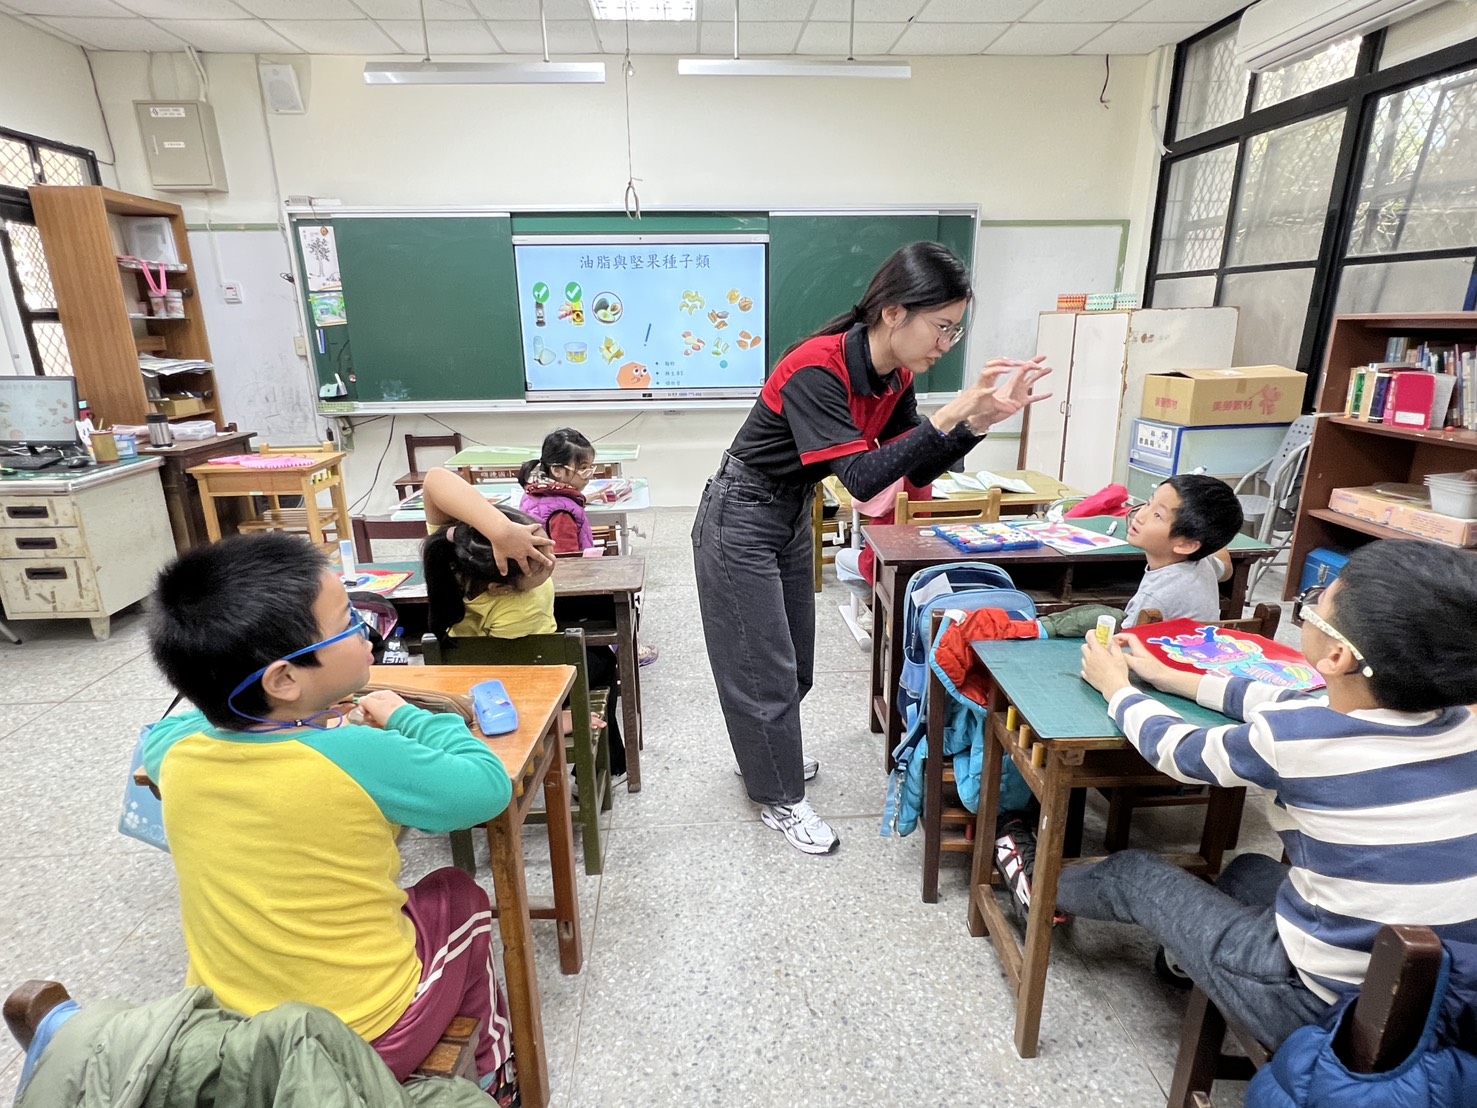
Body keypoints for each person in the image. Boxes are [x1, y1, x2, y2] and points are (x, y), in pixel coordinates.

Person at [692, 240, 1051, 856]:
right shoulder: (816, 368)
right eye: (941, 326)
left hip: (789, 511)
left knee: (795, 665)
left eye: (955, 330)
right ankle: (778, 794)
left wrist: (976, 422)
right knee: (761, 668)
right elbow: (860, 480)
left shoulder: (894, 378)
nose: (946, 343)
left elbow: (914, 466)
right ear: (893, 312)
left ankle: (765, 756)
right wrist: (950, 413)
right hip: (740, 515)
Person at [145, 532, 519, 1101]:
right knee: (457, 894)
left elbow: (166, 731)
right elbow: (485, 789)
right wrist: (407, 716)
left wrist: (264, 714)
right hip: (363, 1035)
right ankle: (496, 1072)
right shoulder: (358, 753)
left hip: (233, 1031)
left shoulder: (175, 756)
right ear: (283, 679)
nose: (367, 630)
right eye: (348, 621)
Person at [1072, 539, 1477, 1049]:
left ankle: (1030, 883)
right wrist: (1167, 676)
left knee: (1131, 874)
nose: (1307, 609)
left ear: (1337, 655)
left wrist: (1118, 689)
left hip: (1327, 1012)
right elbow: (1289, 699)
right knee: (1249, 872)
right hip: (1445, 998)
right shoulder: (1461, 724)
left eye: (1314, 603)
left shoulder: (1296, 740)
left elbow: (1178, 750)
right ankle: (1189, 962)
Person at [423, 466, 625, 781]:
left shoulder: (453, 555)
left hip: (463, 679)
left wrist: (500, 530)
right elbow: (525, 679)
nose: (552, 558)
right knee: (602, 660)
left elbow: (435, 479)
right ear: (501, 588)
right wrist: (556, 718)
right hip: (500, 693)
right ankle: (610, 766)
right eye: (541, 561)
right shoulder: (525, 606)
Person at [518, 427, 601, 556]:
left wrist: (580, 499)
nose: (589, 475)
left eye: (591, 467)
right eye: (583, 468)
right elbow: (568, 558)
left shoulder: (533, 492)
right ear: (557, 470)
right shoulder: (562, 514)